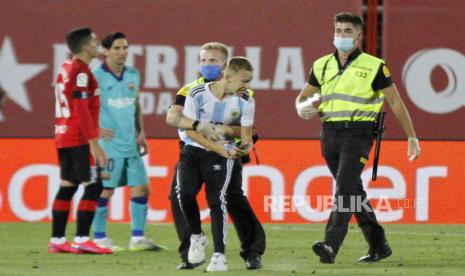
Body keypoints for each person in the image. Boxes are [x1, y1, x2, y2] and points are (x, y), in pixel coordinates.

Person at [295, 12, 421, 264]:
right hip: (329, 133)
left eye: (348, 32)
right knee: (352, 190)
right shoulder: (321, 65)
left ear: (359, 35)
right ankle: (378, 243)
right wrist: (302, 107)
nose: (342, 36)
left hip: (359, 133)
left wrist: (411, 136)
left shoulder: (374, 66)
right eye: (338, 31)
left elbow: (395, 101)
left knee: (344, 188)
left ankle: (331, 244)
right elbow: (303, 97)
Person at [166, 43, 265, 270]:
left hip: (226, 152)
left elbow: (249, 131)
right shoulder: (191, 90)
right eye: (203, 60)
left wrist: (223, 130)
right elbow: (174, 117)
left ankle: (252, 251)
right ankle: (190, 252)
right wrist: (202, 126)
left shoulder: (241, 92)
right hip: (193, 149)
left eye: (213, 61)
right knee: (179, 196)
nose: (206, 65)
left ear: (225, 65)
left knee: (232, 198)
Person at [91, 32, 165, 252]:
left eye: (124, 48)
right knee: (105, 190)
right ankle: (99, 238)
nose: (122, 52)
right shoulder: (95, 76)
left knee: (142, 189)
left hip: (130, 142)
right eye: (116, 48)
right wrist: (94, 130)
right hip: (108, 144)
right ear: (105, 51)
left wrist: (141, 131)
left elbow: (136, 105)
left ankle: (138, 239)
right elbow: (82, 108)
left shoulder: (133, 74)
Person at [49, 27, 111, 254]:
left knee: (68, 186)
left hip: (64, 134)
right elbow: (81, 109)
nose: (98, 45)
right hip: (79, 138)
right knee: (95, 186)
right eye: (95, 42)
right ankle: (83, 239)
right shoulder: (81, 71)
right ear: (86, 47)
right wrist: (93, 142)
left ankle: (57, 239)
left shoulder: (66, 67)